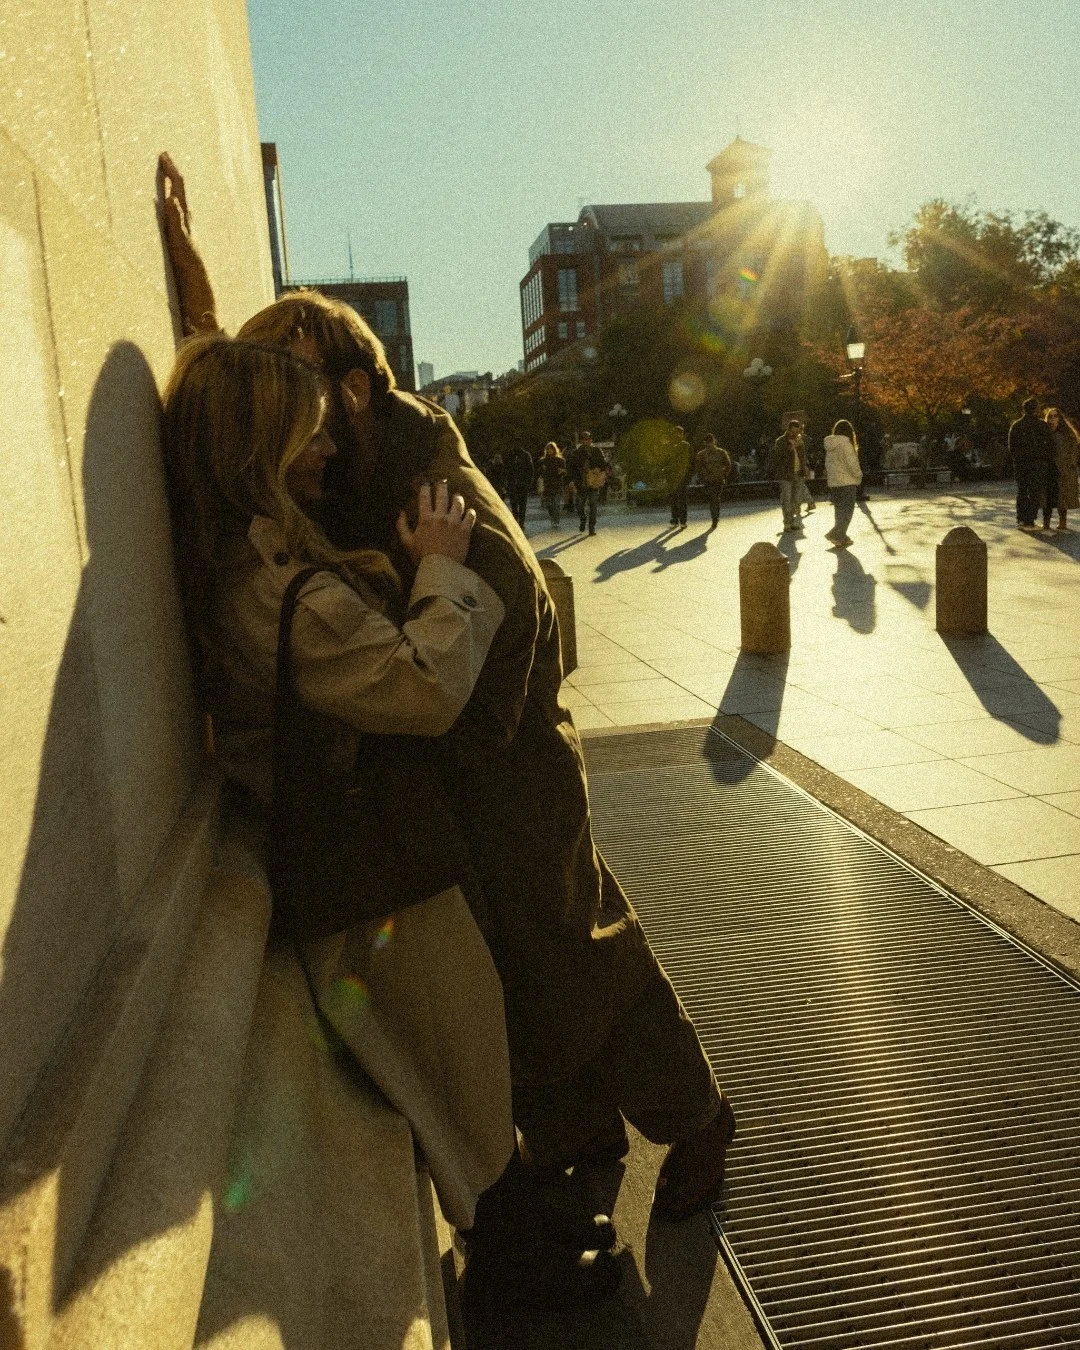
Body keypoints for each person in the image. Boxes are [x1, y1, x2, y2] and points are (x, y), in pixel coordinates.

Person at [160, 153, 735, 1229]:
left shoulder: (430, 473)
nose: (296, 414)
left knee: (577, 949)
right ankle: (578, 1129)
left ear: (355, 387)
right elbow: (235, 416)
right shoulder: (337, 465)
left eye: (303, 381)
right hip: (446, 765)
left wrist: (451, 749)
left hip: (505, 765)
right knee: (518, 966)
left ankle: (696, 1117)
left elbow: (520, 617)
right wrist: (192, 296)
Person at [161, 335, 621, 1313]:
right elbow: (425, 688)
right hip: (376, 878)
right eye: (306, 434)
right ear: (257, 449)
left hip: (381, 867)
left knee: (468, 1052)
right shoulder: (281, 596)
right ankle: (521, 1272)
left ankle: (521, 1222)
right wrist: (444, 569)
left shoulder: (264, 559)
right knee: (456, 1063)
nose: (329, 448)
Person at [1008, 397, 1056, 530]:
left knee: (1022, 490)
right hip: (1038, 463)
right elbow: (1050, 445)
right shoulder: (1042, 425)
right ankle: (1030, 518)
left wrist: (1017, 460)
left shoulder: (1017, 425)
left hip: (1022, 463)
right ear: (1036, 409)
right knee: (1035, 491)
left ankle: (1021, 518)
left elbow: (1012, 447)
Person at [822, 419, 862, 549]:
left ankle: (842, 537)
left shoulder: (830, 445)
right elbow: (852, 463)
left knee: (839, 511)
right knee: (847, 512)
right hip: (847, 481)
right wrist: (858, 475)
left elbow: (828, 464)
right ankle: (835, 534)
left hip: (834, 482)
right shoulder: (846, 444)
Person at [1045, 408, 1080, 531]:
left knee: (1062, 496)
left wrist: (1071, 464)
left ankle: (1062, 522)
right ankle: (1046, 522)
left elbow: (1074, 450)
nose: (1053, 418)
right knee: (1047, 496)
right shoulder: (1044, 432)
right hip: (1049, 467)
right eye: (1050, 416)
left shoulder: (1067, 433)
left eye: (1055, 416)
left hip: (1063, 468)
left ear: (1060, 418)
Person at [768, 418, 805, 533]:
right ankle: (787, 523)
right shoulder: (780, 441)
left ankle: (793, 520)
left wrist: (804, 469)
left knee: (796, 499)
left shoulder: (800, 441)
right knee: (786, 499)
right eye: (793, 431)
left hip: (798, 472)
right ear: (788, 430)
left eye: (797, 431)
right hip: (785, 474)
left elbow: (802, 457)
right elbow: (777, 458)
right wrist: (790, 448)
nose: (795, 434)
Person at [695, 434, 733, 530]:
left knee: (713, 498)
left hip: (709, 479)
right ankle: (715, 517)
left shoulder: (701, 454)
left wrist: (701, 477)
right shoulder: (721, 452)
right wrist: (724, 474)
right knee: (715, 498)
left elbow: (698, 468)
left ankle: (715, 518)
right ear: (714, 441)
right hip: (718, 479)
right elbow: (728, 465)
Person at [575, 431, 608, 536]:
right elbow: (572, 467)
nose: (587, 441)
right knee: (580, 505)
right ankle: (583, 519)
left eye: (588, 439)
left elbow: (603, 463)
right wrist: (571, 481)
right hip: (581, 482)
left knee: (593, 505)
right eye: (585, 439)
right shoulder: (577, 452)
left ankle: (591, 527)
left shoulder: (596, 450)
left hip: (594, 482)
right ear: (581, 441)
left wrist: (598, 469)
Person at [669, 426, 693, 528]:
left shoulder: (681, 446)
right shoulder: (684, 445)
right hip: (678, 476)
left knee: (676, 499)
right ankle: (680, 521)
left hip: (677, 476)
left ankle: (677, 520)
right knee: (679, 499)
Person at [506, 443, 535, 529]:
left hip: (521, 484)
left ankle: (520, 522)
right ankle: (519, 522)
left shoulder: (524, 455)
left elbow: (530, 470)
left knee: (520, 504)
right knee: (517, 504)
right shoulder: (512, 455)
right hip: (515, 484)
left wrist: (528, 482)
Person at [539, 442, 567, 527]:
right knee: (549, 504)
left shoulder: (560, 460)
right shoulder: (543, 461)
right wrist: (542, 470)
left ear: (554, 450)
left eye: (551, 449)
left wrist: (561, 472)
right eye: (548, 449)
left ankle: (556, 520)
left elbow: (564, 472)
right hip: (547, 485)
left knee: (556, 504)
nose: (549, 450)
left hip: (557, 484)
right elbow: (539, 472)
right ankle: (552, 516)